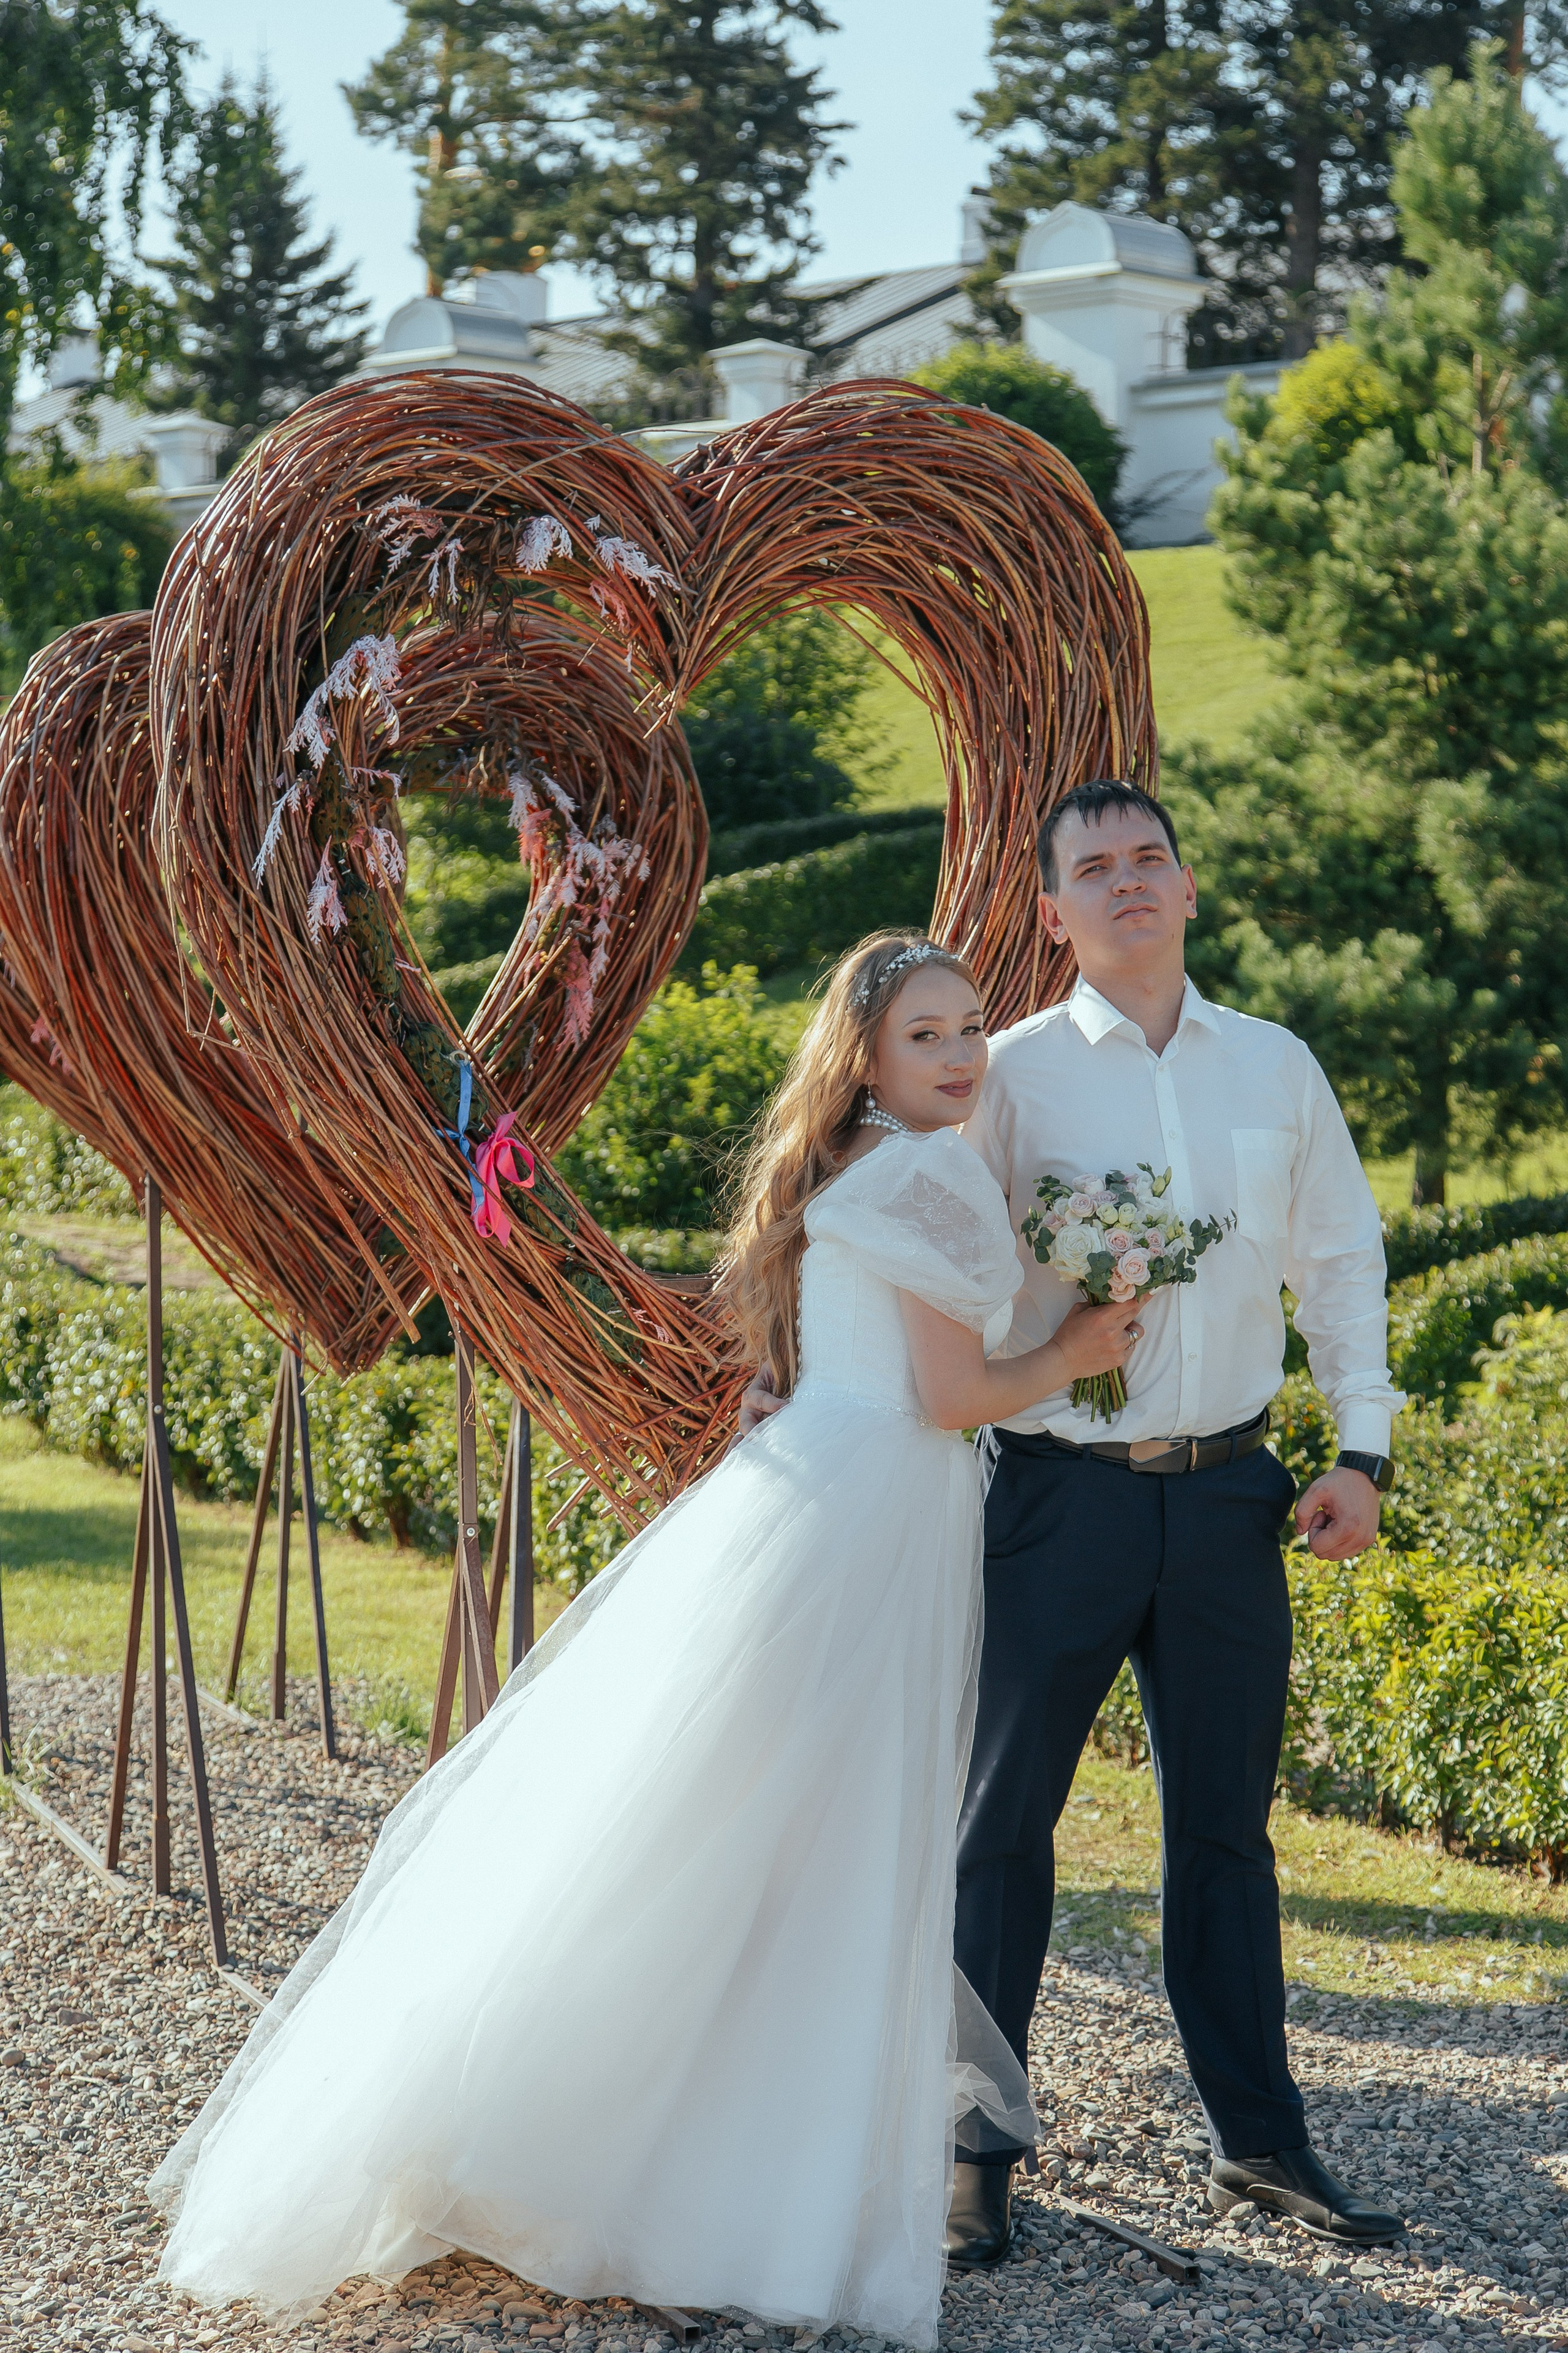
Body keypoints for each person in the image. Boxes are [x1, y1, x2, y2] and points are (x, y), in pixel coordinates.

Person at [149, 929, 1141, 2351]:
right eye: (923, 1033)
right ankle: (697, 2179)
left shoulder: (859, 1164)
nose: (958, 1052)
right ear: (864, 1057)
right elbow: (944, 1395)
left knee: (731, 1826)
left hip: (825, 1496)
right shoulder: (916, 1172)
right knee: (803, 1841)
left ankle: (655, 2143)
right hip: (866, 1519)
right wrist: (1074, 1353)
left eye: (970, 1025)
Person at [946, 780, 1405, 2263]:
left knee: (1223, 1831)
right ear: (1051, 911)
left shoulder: (1275, 1065)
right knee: (998, 1831)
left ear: (1188, 886)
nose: (1127, 881)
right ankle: (970, 2150)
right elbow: (939, 1270)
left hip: (1230, 1499)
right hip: (1053, 1499)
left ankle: (1258, 2139)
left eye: (1149, 857)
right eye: (1094, 867)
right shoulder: (1003, 1078)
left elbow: (1339, 1262)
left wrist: (1359, 1451)